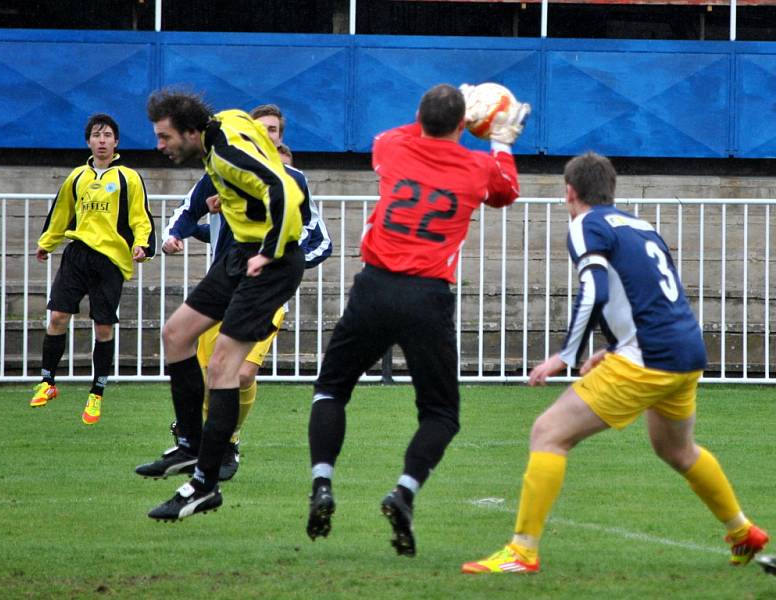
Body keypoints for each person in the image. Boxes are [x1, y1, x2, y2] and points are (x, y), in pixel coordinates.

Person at [462, 152, 769, 574]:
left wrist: (566, 355)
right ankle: (741, 531)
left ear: (569, 191)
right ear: (611, 188)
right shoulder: (641, 226)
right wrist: (614, 345)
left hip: (649, 359)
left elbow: (595, 291)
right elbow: (656, 295)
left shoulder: (585, 225)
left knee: (548, 433)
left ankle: (521, 552)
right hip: (686, 350)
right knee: (676, 450)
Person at [306, 83, 526, 556]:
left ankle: (322, 482)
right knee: (441, 413)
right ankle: (404, 491)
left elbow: (404, 133)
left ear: (420, 117)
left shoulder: (391, 145)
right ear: (462, 125)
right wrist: (501, 140)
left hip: (375, 285)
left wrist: (452, 108)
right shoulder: (477, 167)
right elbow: (506, 192)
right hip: (427, 294)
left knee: (331, 389)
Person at [136, 103, 331, 482]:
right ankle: (191, 444)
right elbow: (189, 212)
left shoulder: (247, 162)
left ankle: (218, 459)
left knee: (234, 372)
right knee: (180, 339)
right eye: (263, 129)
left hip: (265, 276)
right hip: (229, 269)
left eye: (164, 137)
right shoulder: (223, 139)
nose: (267, 136)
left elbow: (295, 210)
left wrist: (272, 252)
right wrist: (178, 233)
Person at [30, 113, 156, 425]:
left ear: (116, 142)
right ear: (88, 141)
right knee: (58, 316)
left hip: (110, 260)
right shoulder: (76, 177)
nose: (102, 141)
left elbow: (141, 217)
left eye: (108, 135)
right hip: (77, 255)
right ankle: (47, 382)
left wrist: (143, 245)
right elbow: (60, 213)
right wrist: (47, 242)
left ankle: (96, 392)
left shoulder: (128, 177)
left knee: (102, 327)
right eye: (97, 135)